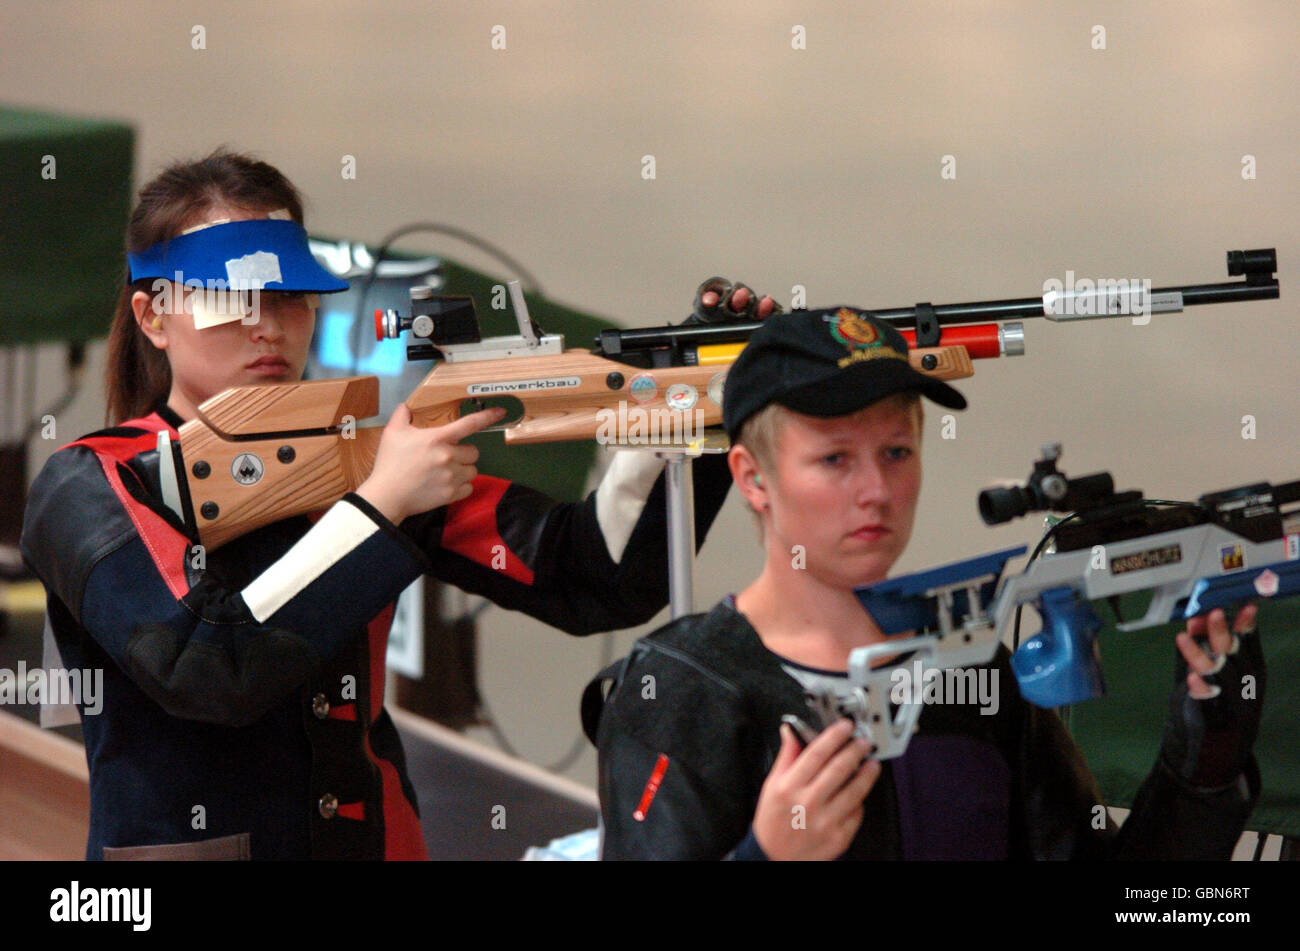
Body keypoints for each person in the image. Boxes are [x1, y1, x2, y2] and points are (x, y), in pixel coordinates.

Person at [19, 149, 774, 860]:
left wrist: (690, 399)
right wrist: (380, 506)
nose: (267, 324)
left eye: (289, 298)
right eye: (229, 298)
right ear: (154, 317)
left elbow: (596, 575)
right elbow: (206, 665)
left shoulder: (362, 457)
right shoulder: (92, 483)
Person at [583, 307, 1265, 860]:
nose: (877, 490)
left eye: (897, 452)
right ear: (753, 478)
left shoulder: (971, 672)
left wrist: (1206, 755)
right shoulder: (681, 689)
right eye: (834, 459)